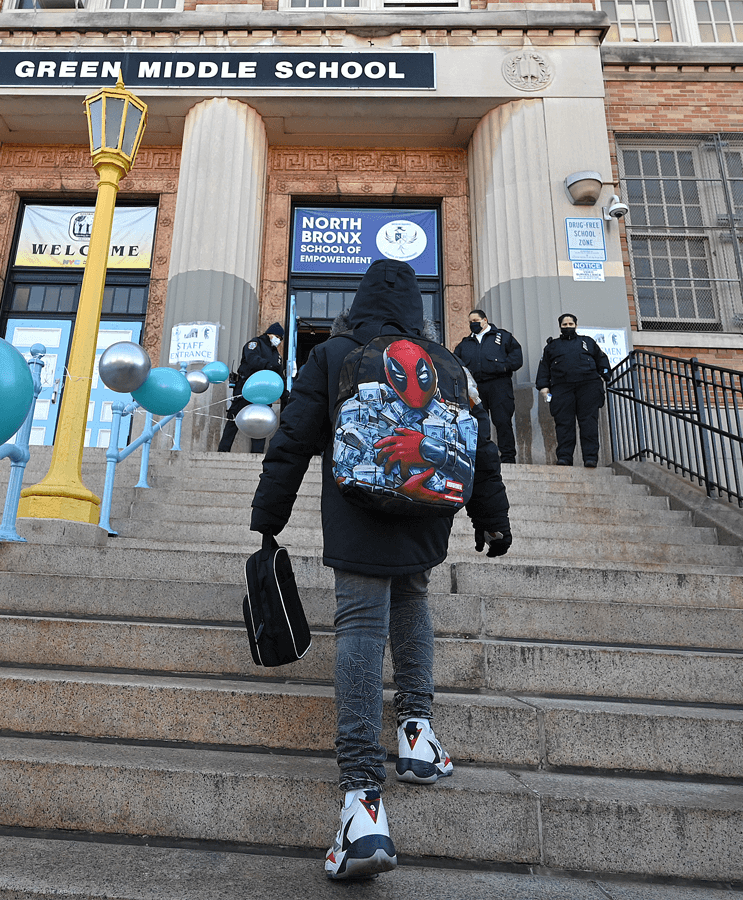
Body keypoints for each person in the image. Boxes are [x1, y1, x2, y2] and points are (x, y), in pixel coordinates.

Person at [249, 259, 512, 881]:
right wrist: (492, 518)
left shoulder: (335, 352)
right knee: (413, 599)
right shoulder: (448, 361)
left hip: (355, 508)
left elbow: (293, 436)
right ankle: (417, 733)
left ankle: (363, 804)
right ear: (416, 306)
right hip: (428, 509)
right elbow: (480, 444)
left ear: (360, 299)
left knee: (362, 627)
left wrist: (269, 514)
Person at [536, 313, 611, 468]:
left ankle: (590, 458)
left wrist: (605, 374)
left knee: (589, 423)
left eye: (571, 324)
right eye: (565, 325)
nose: (568, 327)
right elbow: (544, 368)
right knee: (564, 424)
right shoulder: (552, 346)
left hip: (588, 386)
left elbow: (601, 359)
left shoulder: (587, 342)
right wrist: (544, 387)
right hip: (562, 388)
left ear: (576, 325)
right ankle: (564, 457)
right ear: (560, 326)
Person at [452, 309, 523, 464]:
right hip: (475, 388)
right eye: (470, 322)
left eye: (476, 320)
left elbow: (517, 358)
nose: (473, 324)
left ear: (485, 320)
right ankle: (482, 458)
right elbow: (456, 364)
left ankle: (508, 457)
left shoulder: (503, 337)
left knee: (502, 421)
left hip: (499, 385)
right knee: (477, 423)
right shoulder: (465, 344)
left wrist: (503, 367)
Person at [217, 322, 286, 453]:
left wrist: (284, 393)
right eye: (277, 336)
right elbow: (252, 359)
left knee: (261, 422)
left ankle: (257, 453)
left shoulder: (276, 355)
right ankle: (223, 450)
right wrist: (268, 366)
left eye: (281, 338)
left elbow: (279, 376)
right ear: (269, 334)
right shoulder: (256, 343)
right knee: (234, 418)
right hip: (245, 387)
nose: (279, 340)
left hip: (264, 392)